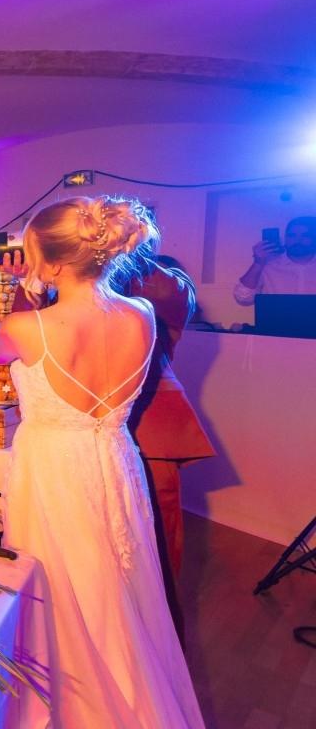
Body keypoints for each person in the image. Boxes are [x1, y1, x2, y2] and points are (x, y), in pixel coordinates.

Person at [0, 195, 213, 729]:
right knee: (114, 587)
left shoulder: (27, 327)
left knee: (56, 589)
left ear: (50, 263)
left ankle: (70, 718)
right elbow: (71, 332)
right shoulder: (141, 315)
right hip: (114, 461)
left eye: (31, 253)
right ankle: (131, 702)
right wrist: (36, 288)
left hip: (52, 468)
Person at [122, 246, 215, 642]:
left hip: (151, 433)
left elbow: (170, 291)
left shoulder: (168, 291)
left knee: (158, 541)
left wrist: (127, 249)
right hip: (90, 430)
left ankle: (162, 639)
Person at [234, 215, 316, 303]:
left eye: (306, 236)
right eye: (291, 235)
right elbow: (243, 298)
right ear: (285, 238)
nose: (297, 240)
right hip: (277, 313)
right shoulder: (268, 265)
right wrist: (258, 263)